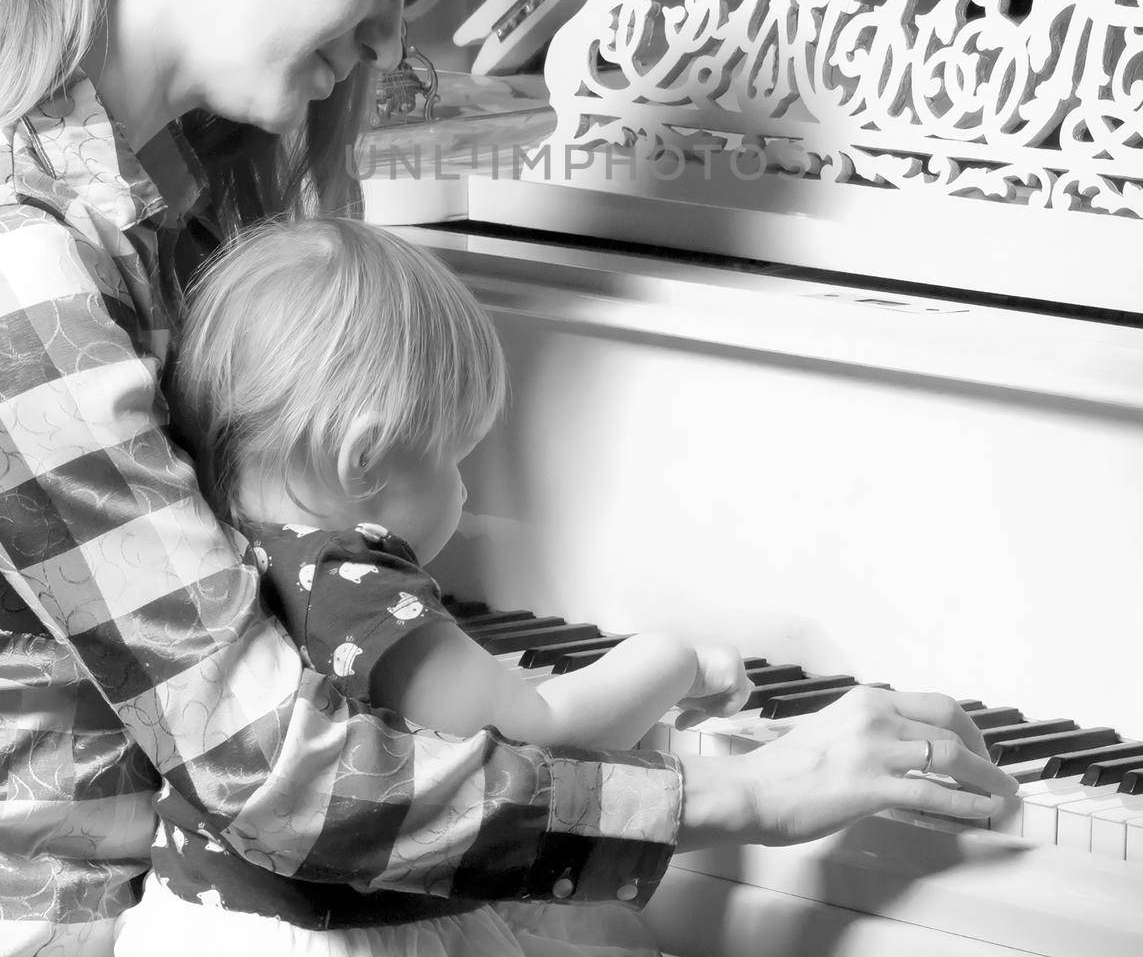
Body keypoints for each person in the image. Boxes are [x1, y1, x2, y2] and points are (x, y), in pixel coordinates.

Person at [0, 0, 1019, 957]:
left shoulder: (188, 223)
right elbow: (280, 772)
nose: (388, 32)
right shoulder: (27, 266)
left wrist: (617, 727)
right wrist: (739, 791)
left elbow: (327, 668)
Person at [116, 213, 756, 953]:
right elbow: (535, 738)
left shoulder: (217, 552)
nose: (463, 493)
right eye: (456, 459)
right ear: (362, 460)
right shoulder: (352, 583)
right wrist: (669, 662)